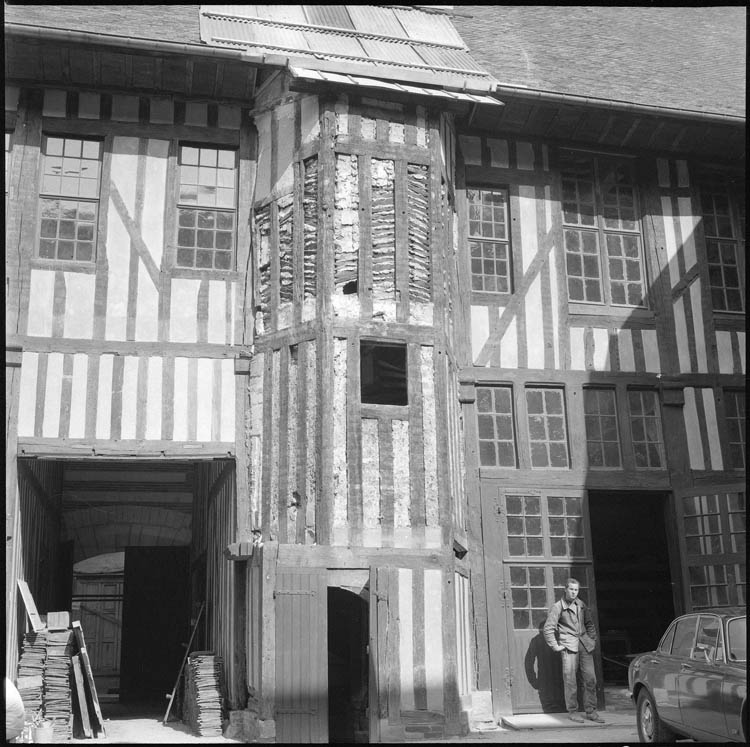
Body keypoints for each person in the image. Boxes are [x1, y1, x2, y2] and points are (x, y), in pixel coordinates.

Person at [543, 577, 604, 723]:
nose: (573, 592)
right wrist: (556, 646)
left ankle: (591, 712)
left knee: (590, 679)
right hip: (569, 647)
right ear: (565, 589)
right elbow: (548, 628)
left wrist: (592, 640)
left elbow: (589, 624)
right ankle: (573, 712)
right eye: (571, 589)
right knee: (570, 681)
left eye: (576, 590)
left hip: (585, 646)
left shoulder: (581, 604)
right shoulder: (558, 607)